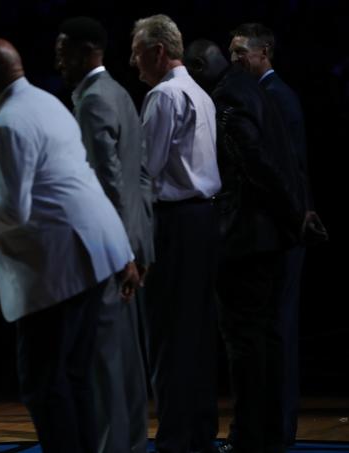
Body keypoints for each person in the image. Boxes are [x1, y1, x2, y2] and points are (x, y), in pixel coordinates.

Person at [0, 38, 139, 453]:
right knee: (75, 378)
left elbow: (13, 213)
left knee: (43, 384)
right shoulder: (47, 102)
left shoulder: (7, 123)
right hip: (94, 254)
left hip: (58, 268)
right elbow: (52, 183)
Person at [185, 39, 306, 453]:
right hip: (268, 236)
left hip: (248, 240)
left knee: (245, 343)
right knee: (264, 341)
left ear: (200, 66)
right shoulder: (251, 86)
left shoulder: (228, 96)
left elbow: (254, 161)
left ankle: (249, 437)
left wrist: (291, 213)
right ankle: (266, 435)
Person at [55, 16, 153, 453]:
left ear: (85, 51)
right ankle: (130, 446)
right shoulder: (120, 93)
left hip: (109, 254)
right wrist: (140, 244)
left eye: (63, 51)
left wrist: (122, 253)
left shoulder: (94, 100)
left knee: (106, 365)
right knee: (127, 365)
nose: (58, 61)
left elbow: (108, 184)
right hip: (130, 246)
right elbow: (142, 177)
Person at [229, 23, 328, 445]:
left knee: (280, 332)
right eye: (230, 52)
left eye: (240, 52)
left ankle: (280, 428)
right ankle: (270, 426)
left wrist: (300, 215)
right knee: (271, 332)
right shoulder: (262, 95)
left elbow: (291, 168)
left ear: (263, 51)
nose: (234, 59)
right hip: (279, 228)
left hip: (285, 230)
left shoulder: (276, 97)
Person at [130, 15, 221, 453]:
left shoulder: (164, 96)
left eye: (136, 51)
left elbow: (145, 171)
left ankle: (175, 440)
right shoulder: (200, 94)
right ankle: (199, 433)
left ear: (158, 52)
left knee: (167, 337)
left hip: (175, 224)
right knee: (197, 335)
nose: (133, 61)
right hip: (204, 221)